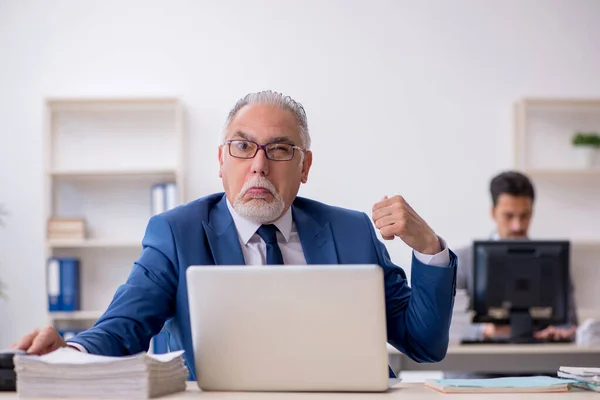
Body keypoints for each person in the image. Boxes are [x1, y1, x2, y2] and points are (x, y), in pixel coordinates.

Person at [11, 90, 458, 379]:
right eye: (243, 147)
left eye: (280, 149)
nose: (259, 164)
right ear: (221, 161)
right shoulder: (177, 232)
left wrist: (430, 250)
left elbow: (423, 343)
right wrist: (69, 351)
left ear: (304, 168)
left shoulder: (352, 230)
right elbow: (123, 328)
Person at [456, 170, 578, 342]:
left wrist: (559, 332)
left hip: (535, 359)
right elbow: (445, 327)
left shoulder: (554, 260)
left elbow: (570, 323)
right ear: (493, 212)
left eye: (524, 215)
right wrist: (484, 330)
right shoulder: (463, 260)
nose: (517, 226)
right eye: (508, 216)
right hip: (480, 361)